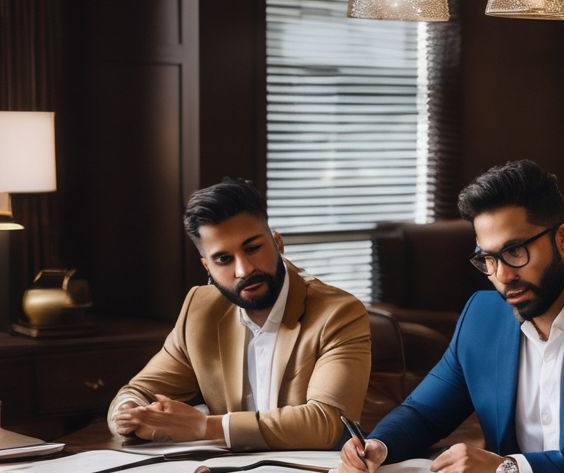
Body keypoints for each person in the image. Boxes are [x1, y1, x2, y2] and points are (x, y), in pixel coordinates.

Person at [338, 159, 564, 473]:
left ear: (563, 239)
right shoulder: (482, 317)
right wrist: (380, 445)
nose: (502, 275)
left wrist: (508, 470)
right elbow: (423, 413)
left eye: (515, 251)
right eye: (487, 258)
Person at [108, 178, 371, 450]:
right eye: (224, 259)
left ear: (278, 243)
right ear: (207, 266)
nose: (244, 270)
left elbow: (327, 423)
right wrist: (130, 414)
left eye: (253, 248)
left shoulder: (338, 313)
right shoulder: (199, 309)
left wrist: (203, 426)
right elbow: (139, 390)